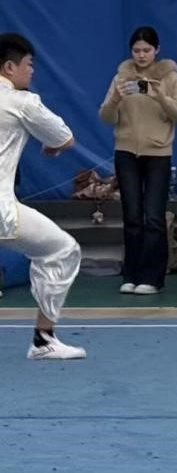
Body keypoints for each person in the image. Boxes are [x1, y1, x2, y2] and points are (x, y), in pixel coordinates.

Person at [0, 33, 86, 360]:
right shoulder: (23, 102)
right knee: (62, 250)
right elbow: (65, 138)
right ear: (10, 67)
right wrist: (53, 146)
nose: (32, 71)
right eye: (28, 64)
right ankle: (43, 339)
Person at [98, 26, 177, 296]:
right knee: (132, 216)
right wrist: (116, 98)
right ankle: (131, 274)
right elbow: (106, 117)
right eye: (136, 50)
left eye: (146, 50)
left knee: (154, 216)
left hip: (158, 153)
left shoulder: (170, 77)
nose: (141, 55)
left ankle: (153, 277)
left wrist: (159, 95)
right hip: (126, 152)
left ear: (157, 50)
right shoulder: (121, 77)